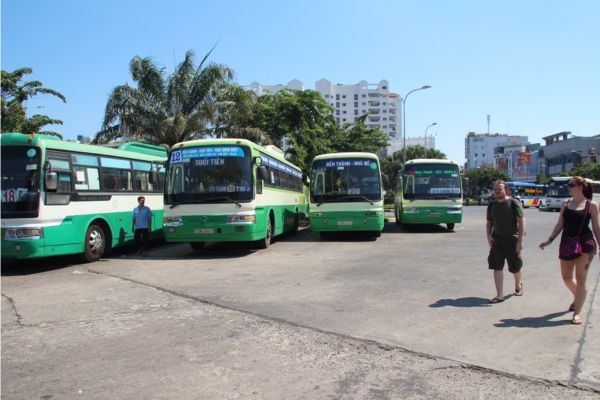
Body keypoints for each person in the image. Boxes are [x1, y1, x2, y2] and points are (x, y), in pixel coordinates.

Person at [539, 176, 600, 325]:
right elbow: (560, 224)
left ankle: (577, 313)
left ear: (580, 187)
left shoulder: (591, 205)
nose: (568, 186)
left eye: (571, 184)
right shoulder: (565, 203)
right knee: (566, 277)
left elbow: (597, 228)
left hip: (586, 245)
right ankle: (578, 297)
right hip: (567, 243)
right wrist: (549, 240)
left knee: (581, 279)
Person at [486, 180, 526, 303]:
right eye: (495, 189)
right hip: (497, 240)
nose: (497, 191)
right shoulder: (492, 204)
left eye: (500, 189)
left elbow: (522, 221)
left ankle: (518, 284)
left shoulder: (513, 203)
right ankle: (499, 295)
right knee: (496, 266)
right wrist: (488, 235)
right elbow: (489, 222)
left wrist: (520, 241)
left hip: (512, 240)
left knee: (515, 267)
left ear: (506, 190)